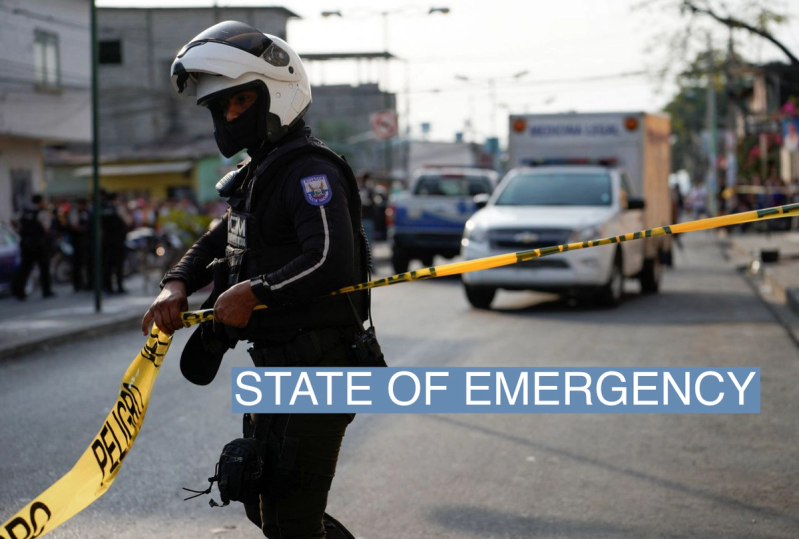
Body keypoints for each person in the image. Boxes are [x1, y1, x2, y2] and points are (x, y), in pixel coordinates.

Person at [141, 21, 377, 539]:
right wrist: (176, 283)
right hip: (277, 367)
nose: (229, 116)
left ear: (276, 94)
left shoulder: (309, 172)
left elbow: (330, 259)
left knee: (290, 521)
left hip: (322, 368)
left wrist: (254, 292)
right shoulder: (259, 174)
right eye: (221, 106)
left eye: (240, 101)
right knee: (260, 502)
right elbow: (219, 238)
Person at [11, 194, 55, 300]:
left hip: (26, 244)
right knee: (44, 268)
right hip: (39, 245)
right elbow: (46, 228)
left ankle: (18, 291)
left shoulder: (24, 212)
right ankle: (46, 291)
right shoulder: (42, 213)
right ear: (40, 202)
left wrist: (21, 231)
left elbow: (13, 221)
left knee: (25, 268)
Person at [100, 191, 129, 294]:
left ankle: (108, 287)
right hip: (118, 241)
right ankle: (119, 286)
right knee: (118, 266)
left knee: (107, 265)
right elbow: (127, 221)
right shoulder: (117, 209)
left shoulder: (102, 209)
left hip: (106, 241)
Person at [68, 198, 92, 291]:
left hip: (85, 242)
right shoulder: (75, 213)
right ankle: (78, 284)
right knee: (77, 263)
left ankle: (87, 283)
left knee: (86, 263)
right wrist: (83, 229)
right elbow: (74, 227)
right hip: (77, 242)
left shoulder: (86, 213)